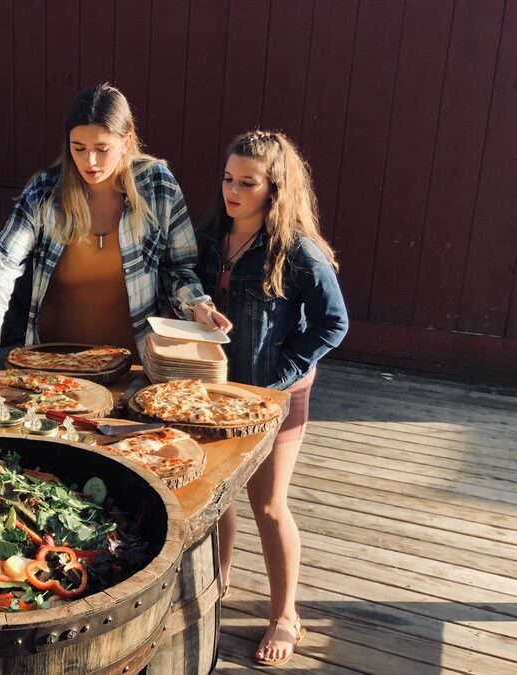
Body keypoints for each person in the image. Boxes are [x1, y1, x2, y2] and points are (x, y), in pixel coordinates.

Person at [0, 83, 229, 387]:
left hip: (133, 366)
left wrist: (198, 305)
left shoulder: (158, 186)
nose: (89, 162)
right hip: (49, 364)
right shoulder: (45, 191)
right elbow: (3, 262)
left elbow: (179, 268)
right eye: (78, 148)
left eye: (101, 149)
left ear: (126, 141)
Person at [196, 130, 348, 666]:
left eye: (247, 183)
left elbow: (334, 324)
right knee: (220, 496)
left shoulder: (298, 252)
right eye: (227, 179)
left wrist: (279, 376)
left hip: (274, 399)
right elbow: (189, 288)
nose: (232, 191)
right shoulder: (213, 235)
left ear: (275, 187)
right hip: (215, 394)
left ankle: (286, 615)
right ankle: (222, 581)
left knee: (267, 503)